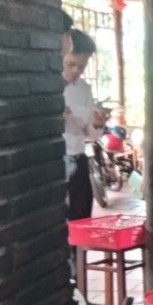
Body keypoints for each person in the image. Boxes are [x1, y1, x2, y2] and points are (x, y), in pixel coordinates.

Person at [63, 28, 106, 222]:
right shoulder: (47, 86)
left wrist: (97, 125)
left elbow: (90, 135)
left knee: (81, 219)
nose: (76, 71)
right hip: (57, 162)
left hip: (78, 160)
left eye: (82, 66)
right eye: (71, 64)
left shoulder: (83, 89)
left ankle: (78, 253)